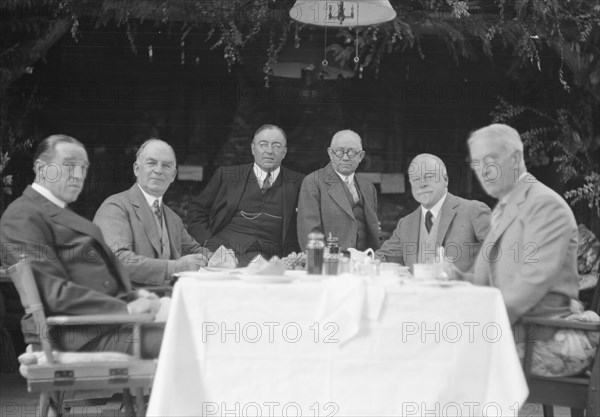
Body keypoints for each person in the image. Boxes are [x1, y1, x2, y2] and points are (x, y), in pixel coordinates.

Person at [0, 135, 163, 357]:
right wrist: (126, 309)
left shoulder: (57, 211)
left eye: (83, 167)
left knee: (200, 321)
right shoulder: (22, 216)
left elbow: (93, 279)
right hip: (76, 335)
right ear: (41, 168)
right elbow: (52, 293)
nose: (78, 175)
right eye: (69, 166)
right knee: (193, 339)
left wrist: (135, 297)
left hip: (105, 325)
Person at [462, 123, 599, 376]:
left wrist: (472, 325)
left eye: (490, 160)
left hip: (543, 337)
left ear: (515, 158)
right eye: (477, 163)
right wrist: (452, 278)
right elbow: (484, 279)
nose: (483, 171)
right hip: (513, 331)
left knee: (443, 358)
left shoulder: (545, 205)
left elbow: (530, 284)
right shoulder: (505, 207)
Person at [94, 138, 212, 287]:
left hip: (172, 297)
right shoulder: (115, 207)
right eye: (151, 163)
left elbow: (193, 250)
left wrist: (215, 258)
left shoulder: (173, 218)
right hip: (131, 300)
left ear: (173, 175)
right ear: (136, 169)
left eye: (166, 166)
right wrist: (174, 268)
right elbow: (119, 260)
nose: (158, 170)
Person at [187, 125, 304, 266]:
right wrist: (208, 243)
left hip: (271, 261)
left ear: (284, 152)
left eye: (276, 146)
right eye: (263, 145)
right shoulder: (227, 176)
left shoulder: (299, 182)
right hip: (222, 255)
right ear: (252, 149)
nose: (269, 151)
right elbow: (197, 210)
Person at [376, 153, 491, 272]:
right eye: (416, 179)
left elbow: (503, 254)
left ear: (445, 180)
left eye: (429, 177)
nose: (422, 184)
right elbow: (381, 259)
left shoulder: (473, 211)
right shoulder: (405, 224)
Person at [297, 130, 380, 252]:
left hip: (364, 263)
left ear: (361, 156)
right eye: (340, 152)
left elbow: (374, 233)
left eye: (351, 152)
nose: (345, 157)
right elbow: (310, 234)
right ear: (330, 153)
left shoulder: (368, 187)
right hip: (331, 263)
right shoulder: (313, 182)